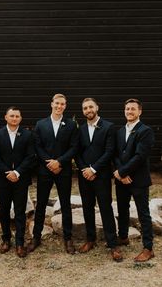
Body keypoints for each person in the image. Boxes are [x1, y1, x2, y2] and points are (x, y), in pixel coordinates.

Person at [27, 93, 79, 254]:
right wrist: (50, 162)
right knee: (41, 204)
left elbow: (74, 147)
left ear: (65, 106)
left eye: (62, 104)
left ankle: (68, 238)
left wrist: (60, 162)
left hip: (63, 170)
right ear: (51, 104)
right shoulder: (41, 124)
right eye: (57, 103)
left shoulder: (71, 125)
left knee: (65, 204)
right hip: (45, 170)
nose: (59, 106)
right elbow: (37, 146)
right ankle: (36, 237)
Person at [76, 98, 122, 262]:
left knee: (105, 208)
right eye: (85, 108)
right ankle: (90, 239)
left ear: (97, 108)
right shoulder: (80, 129)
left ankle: (113, 244)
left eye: (90, 107)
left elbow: (110, 151)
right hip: (84, 176)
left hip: (101, 176)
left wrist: (94, 169)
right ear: (83, 111)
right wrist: (84, 169)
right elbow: (77, 152)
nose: (88, 110)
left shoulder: (108, 127)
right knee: (87, 207)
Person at [0, 107, 35, 258]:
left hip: (21, 179)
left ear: (20, 118)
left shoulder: (28, 135)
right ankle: (6, 239)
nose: (14, 118)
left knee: (20, 211)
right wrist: (7, 172)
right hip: (3, 179)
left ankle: (20, 242)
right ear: (6, 117)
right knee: (4, 210)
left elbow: (30, 156)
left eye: (17, 116)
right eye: (11, 116)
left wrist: (17, 172)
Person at [113, 98, 154, 262]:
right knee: (122, 210)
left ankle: (148, 248)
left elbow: (139, 156)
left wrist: (122, 171)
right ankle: (123, 237)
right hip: (122, 180)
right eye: (127, 109)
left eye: (133, 109)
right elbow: (115, 154)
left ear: (140, 111)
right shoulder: (120, 131)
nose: (129, 111)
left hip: (138, 180)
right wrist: (120, 174)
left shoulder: (146, 131)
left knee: (143, 213)